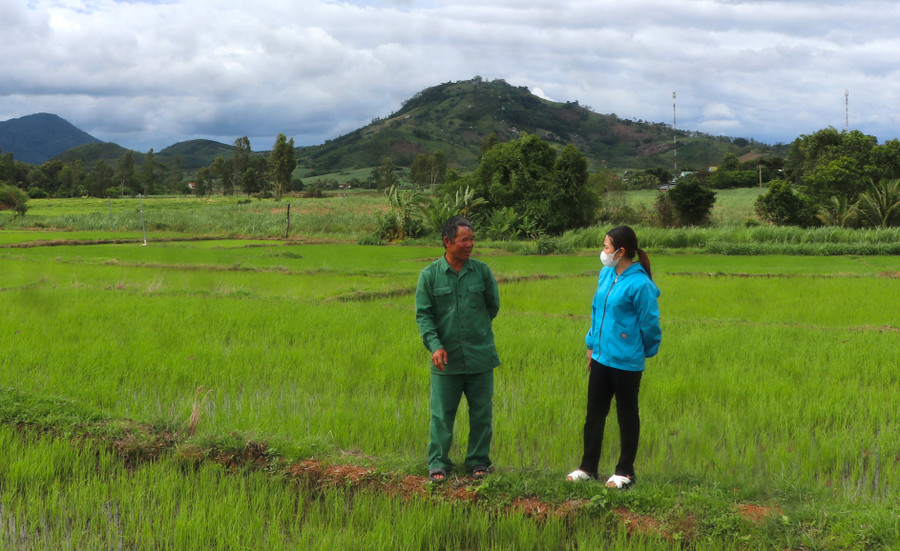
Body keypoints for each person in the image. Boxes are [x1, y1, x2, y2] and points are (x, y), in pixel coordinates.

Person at [566, 225, 661, 489]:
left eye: (607, 247)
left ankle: (625, 471)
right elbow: (597, 311)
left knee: (627, 415)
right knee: (594, 414)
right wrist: (591, 345)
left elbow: (650, 323)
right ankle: (588, 467)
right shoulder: (606, 274)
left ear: (620, 251)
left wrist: (644, 351)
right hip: (601, 357)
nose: (603, 252)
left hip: (626, 362)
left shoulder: (640, 284)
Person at [415, 216, 500, 482]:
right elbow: (424, 316)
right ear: (448, 242)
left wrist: (475, 330)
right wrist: (436, 345)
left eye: (473, 239)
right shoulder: (429, 276)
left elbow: (492, 306)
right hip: (446, 359)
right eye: (465, 240)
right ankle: (438, 462)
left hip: (480, 356)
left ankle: (478, 461)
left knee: (482, 414)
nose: (470, 244)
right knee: (442, 415)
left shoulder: (482, 272)